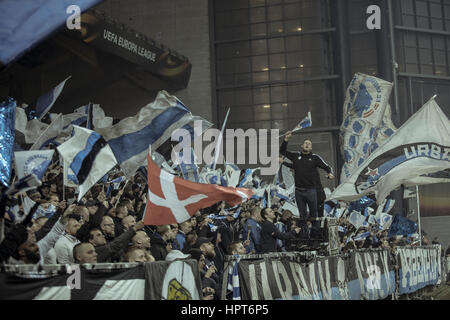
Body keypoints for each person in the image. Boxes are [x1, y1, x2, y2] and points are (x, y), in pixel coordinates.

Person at [280, 133, 334, 229]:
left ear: (311, 148)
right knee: (302, 216)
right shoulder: (296, 156)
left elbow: (327, 166)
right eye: (305, 143)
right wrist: (286, 140)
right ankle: (304, 235)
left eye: (309, 144)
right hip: (298, 191)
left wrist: (330, 173)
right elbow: (282, 151)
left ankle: (316, 235)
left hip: (311, 191)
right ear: (302, 146)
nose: (307, 144)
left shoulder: (315, 158)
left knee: (314, 215)